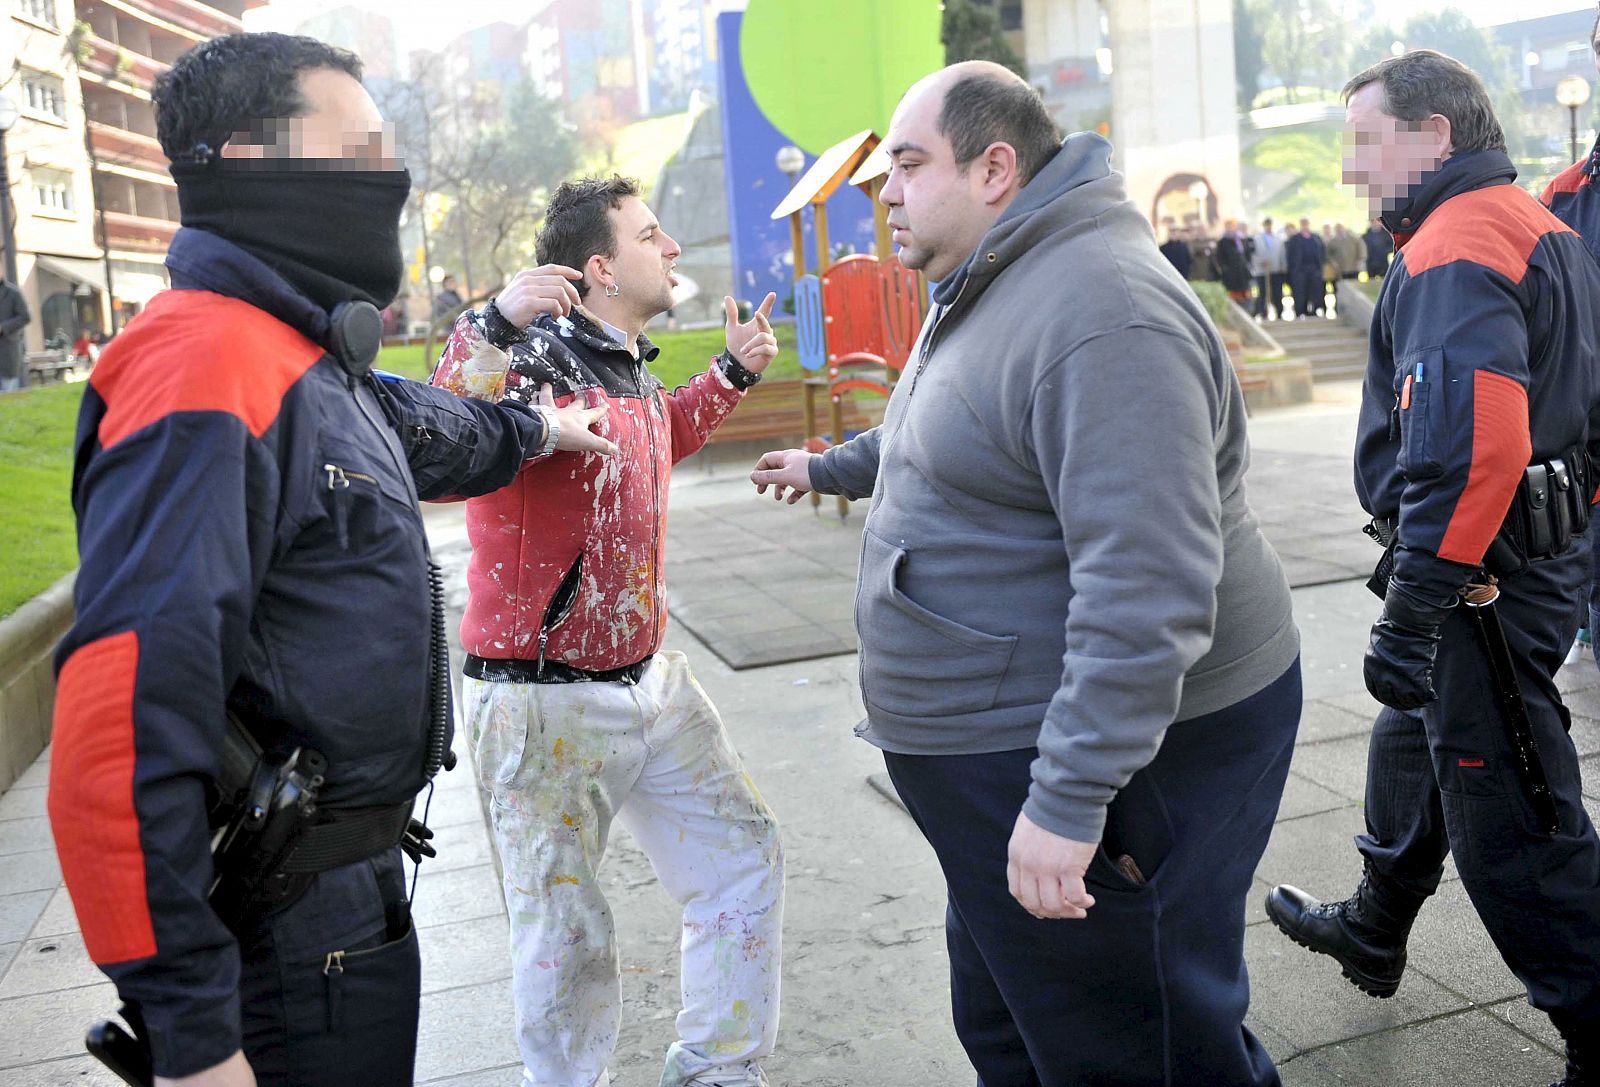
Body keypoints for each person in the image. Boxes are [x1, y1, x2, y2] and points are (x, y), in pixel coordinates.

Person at [44, 33, 615, 1087]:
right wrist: (193, 1035)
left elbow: (434, 426)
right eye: (358, 151)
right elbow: (116, 732)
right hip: (281, 930)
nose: (385, 180)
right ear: (250, 165)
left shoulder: (306, 362)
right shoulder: (205, 368)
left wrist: (539, 436)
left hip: (346, 897)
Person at [750, 61, 1301, 1086]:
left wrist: (1067, 797)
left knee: (1145, 1043)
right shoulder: (991, 273)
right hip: (1001, 758)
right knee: (1025, 1028)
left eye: (908, 166)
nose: (889, 193)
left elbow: (1149, 581)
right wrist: (829, 465)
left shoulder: (1102, 311)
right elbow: (947, 427)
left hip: (1116, 756)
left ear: (995, 166)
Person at [1264, 50, 1600, 1087]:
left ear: (1432, 135)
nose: (1354, 167)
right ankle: (1374, 924)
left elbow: (1470, 450)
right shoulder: (1535, 221)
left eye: (1367, 141)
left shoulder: (1455, 243)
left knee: (1513, 815)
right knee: (1412, 738)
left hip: (1480, 576)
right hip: (1521, 558)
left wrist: (1411, 610)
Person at [429, 175, 784, 1087]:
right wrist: (492, 320)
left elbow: (656, 437)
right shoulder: (535, 360)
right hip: (540, 701)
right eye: (651, 234)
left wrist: (732, 375)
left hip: (650, 680)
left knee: (744, 854)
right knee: (564, 932)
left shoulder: (623, 360)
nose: (671, 250)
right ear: (599, 265)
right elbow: (443, 423)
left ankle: (717, 1069)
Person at [1285, 217, 1326, 318]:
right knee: (1300, 292)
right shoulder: (1295, 239)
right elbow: (1290, 256)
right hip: (1300, 270)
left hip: (1314, 269)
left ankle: (1314, 310)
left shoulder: (1316, 238)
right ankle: (1301, 311)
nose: (1305, 226)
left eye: (1306, 223)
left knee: (1314, 291)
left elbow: (1322, 253)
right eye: (1303, 224)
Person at [0, 271, 31, 391]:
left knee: (8, 397)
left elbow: (26, 316)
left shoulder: (13, 293)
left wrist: (3, 327)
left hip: (7, 354)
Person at [1252, 216, 1286, 319]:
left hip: (1275, 270)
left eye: (1270, 225)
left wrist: (1282, 265)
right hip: (1262, 271)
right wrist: (1261, 262)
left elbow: (1282, 254)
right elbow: (1253, 254)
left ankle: (1279, 312)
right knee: (1262, 292)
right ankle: (1263, 312)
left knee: (1277, 292)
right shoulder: (1257, 239)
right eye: (1266, 225)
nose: (1268, 227)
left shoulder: (1278, 239)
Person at [1211, 219, 1253, 303]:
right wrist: (1225, 269)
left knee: (1245, 297)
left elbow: (1247, 255)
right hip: (1230, 275)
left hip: (1242, 274)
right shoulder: (1222, 242)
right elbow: (1219, 258)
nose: (1230, 229)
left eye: (1232, 226)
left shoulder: (1241, 240)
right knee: (1233, 297)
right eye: (1228, 227)